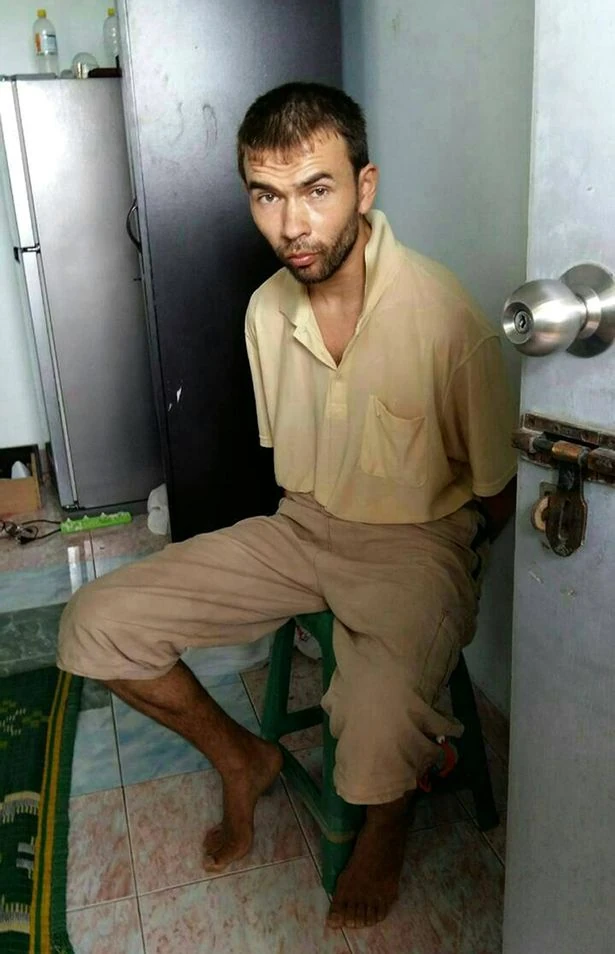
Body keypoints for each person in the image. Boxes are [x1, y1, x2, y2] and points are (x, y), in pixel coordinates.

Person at [57, 82, 517, 929]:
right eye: (266, 196)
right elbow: (293, 460)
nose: (291, 225)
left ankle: (387, 822)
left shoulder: (449, 320)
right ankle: (243, 759)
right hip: (302, 524)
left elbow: (495, 493)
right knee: (97, 622)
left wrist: (438, 578)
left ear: (364, 187)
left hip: (418, 540)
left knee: (375, 718)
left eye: (316, 189)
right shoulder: (266, 311)